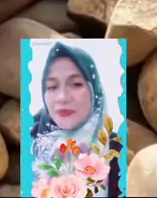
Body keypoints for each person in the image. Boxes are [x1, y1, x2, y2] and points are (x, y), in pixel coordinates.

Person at [30, 41, 122, 197]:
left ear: (94, 90)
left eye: (76, 84)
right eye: (52, 87)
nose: (62, 97)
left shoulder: (116, 149)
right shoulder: (30, 142)